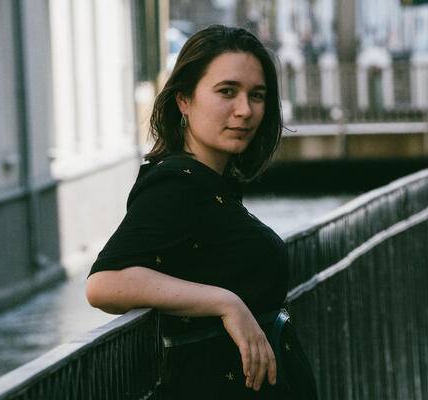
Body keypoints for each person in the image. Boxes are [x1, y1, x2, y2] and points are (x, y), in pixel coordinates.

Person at [86, 25, 318, 399]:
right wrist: (225, 303)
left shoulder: (211, 184)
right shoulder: (176, 184)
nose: (245, 110)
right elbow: (104, 284)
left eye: (257, 95)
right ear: (184, 100)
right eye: (227, 91)